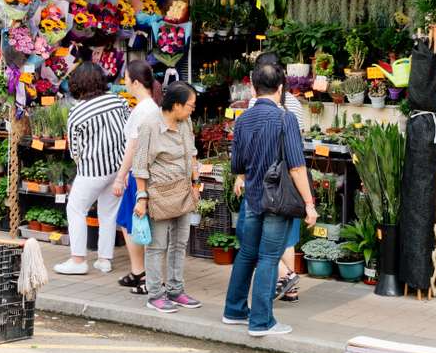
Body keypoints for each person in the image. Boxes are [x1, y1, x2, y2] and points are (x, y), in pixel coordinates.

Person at [223, 63, 317, 336]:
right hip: (277, 200)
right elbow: (297, 167)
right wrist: (309, 204)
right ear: (281, 89)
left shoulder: (242, 120)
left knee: (247, 253)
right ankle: (261, 322)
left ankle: (235, 310)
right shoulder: (284, 118)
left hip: (252, 198)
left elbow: (237, 164)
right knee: (268, 257)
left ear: (253, 88)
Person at [132, 81, 202, 313]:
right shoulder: (149, 126)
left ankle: (175, 290)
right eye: (190, 105)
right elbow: (140, 165)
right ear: (176, 105)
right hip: (159, 194)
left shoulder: (185, 122)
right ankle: (155, 294)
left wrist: (195, 183)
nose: (193, 109)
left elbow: (191, 153)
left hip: (183, 192)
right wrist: (142, 198)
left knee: (180, 243)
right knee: (157, 246)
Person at [55, 62, 129, 275]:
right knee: (109, 212)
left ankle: (78, 260)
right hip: (118, 167)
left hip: (92, 169)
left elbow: (75, 147)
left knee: (76, 209)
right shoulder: (118, 100)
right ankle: (104, 259)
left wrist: (81, 163)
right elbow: (129, 130)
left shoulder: (78, 111)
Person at [254, 52, 305, 303]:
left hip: (266, 179)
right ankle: (290, 285)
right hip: (290, 177)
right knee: (288, 236)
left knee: (266, 236)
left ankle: (285, 277)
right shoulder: (294, 104)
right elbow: (300, 142)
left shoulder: (257, 105)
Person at [113, 60, 161, 294]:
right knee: (132, 222)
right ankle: (139, 272)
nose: (124, 83)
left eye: (126, 78)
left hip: (138, 174)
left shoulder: (143, 110)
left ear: (136, 82)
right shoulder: (152, 107)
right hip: (148, 173)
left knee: (131, 223)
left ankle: (143, 275)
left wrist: (121, 176)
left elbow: (132, 148)